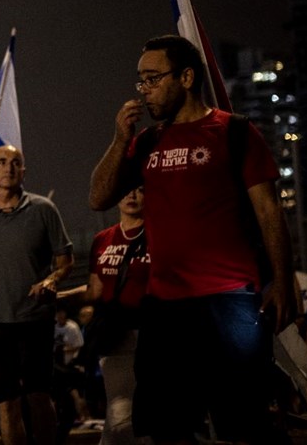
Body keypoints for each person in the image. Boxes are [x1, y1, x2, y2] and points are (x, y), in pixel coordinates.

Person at [89, 34, 295, 445]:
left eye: (153, 78)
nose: (144, 90)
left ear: (186, 77)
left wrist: (283, 282)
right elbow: (98, 197)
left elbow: (269, 213)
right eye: (140, 81)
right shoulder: (147, 142)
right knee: (166, 425)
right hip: (165, 309)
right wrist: (119, 140)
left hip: (230, 303)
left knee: (244, 423)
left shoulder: (234, 132)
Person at [0, 145, 73, 445]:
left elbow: (65, 260)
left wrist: (52, 279)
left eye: (16, 163)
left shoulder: (44, 209)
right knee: (6, 402)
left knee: (38, 397)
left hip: (34, 318)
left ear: (24, 171)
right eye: (2, 162)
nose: (9, 168)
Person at [62, 186, 149, 445]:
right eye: (125, 190)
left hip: (152, 335)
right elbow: (94, 291)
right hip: (114, 338)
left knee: (145, 417)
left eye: (140, 190)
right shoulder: (103, 239)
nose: (132, 196)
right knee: (120, 415)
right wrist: (57, 296)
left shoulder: (162, 233)